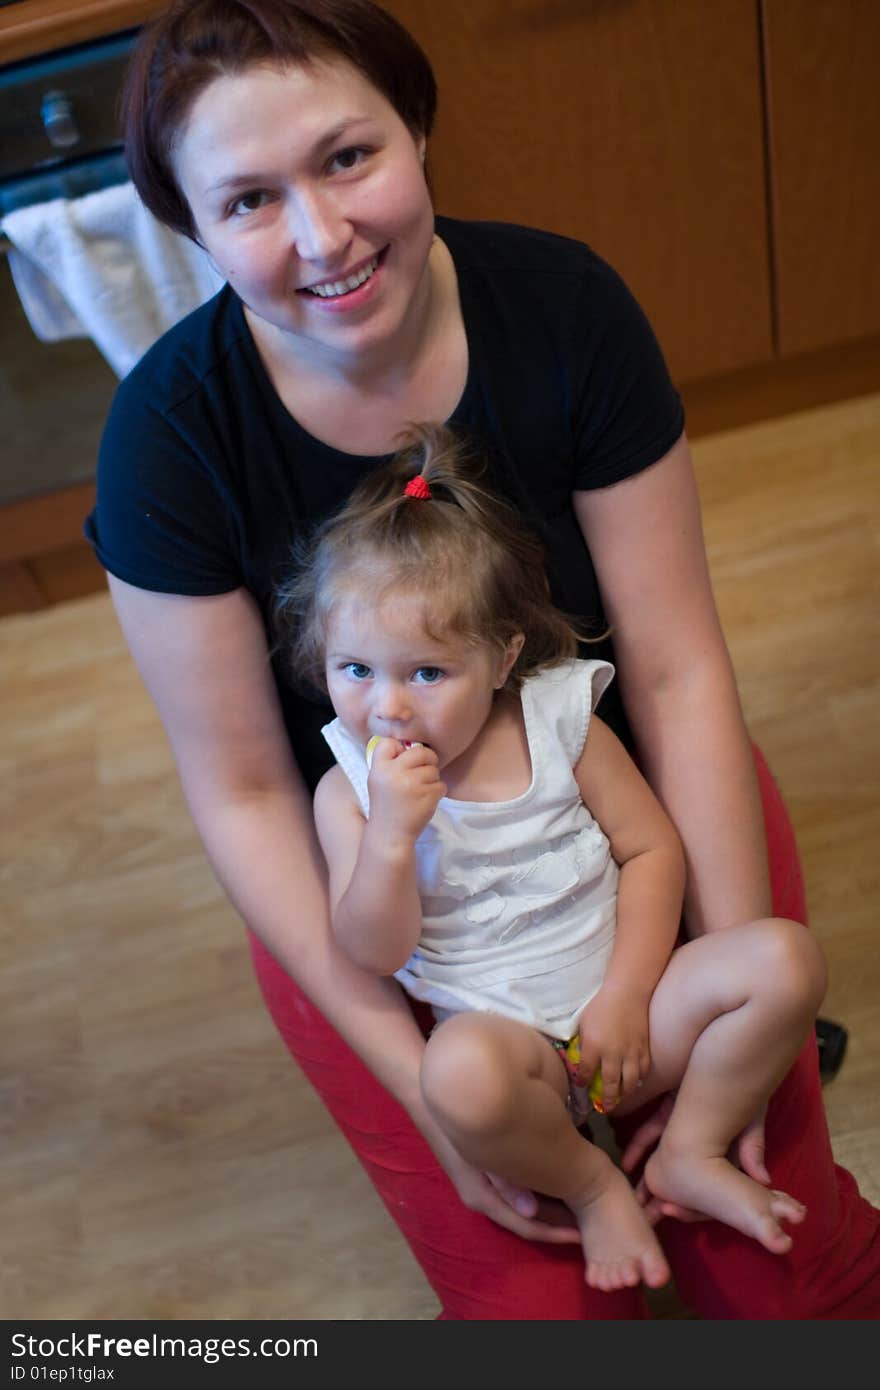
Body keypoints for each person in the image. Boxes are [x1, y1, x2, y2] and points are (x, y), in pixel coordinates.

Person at [84, 0, 880, 1318]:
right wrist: (425, 1084)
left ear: (421, 126)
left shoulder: (565, 308)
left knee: (798, 1263)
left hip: (623, 808)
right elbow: (243, 793)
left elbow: (677, 674)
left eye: (349, 157)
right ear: (191, 228)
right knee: (540, 1311)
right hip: (386, 896)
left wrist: (733, 1011)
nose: (323, 237)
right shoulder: (168, 440)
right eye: (248, 200)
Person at [277, 423, 827, 1292]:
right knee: (455, 1078)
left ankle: (689, 1147)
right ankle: (591, 1183)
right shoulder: (348, 790)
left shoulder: (559, 722)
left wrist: (629, 993)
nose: (387, 707)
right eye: (354, 669)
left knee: (786, 960)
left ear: (501, 659)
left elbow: (650, 851)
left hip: (638, 1011)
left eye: (426, 673)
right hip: (514, 1057)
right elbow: (372, 952)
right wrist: (390, 839)